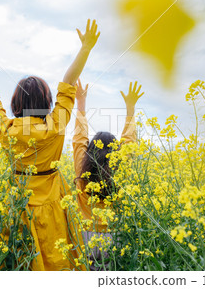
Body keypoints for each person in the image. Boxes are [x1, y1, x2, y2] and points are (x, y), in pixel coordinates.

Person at [0, 19, 100, 270]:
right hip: (53, 201)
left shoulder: (7, 129)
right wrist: (85, 49)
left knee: (23, 259)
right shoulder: (56, 124)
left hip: (19, 203)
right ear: (47, 101)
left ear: (16, 102)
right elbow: (68, 83)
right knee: (58, 255)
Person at [73, 79, 143, 270]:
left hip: (83, 236)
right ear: (116, 151)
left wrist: (81, 103)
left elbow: (79, 138)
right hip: (114, 239)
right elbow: (129, 143)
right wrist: (130, 109)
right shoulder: (120, 168)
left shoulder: (81, 167)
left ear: (89, 152)